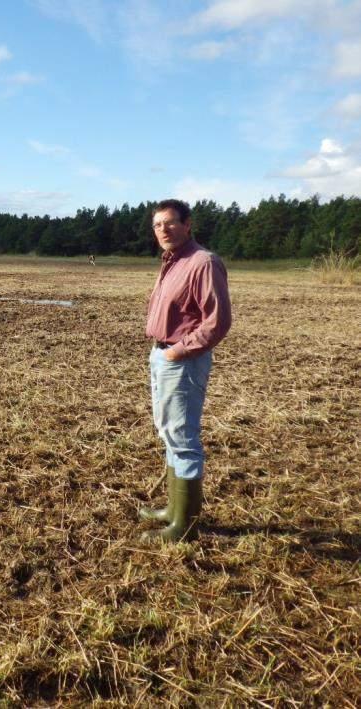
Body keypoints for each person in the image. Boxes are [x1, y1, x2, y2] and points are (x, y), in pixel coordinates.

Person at [139, 199, 231, 542]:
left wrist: (179, 351)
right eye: (158, 225)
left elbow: (217, 322)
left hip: (182, 360)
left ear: (187, 224)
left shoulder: (203, 262)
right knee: (168, 432)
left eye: (170, 223)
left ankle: (184, 526)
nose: (163, 229)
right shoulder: (172, 262)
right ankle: (173, 510)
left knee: (183, 437)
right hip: (162, 355)